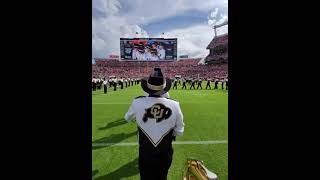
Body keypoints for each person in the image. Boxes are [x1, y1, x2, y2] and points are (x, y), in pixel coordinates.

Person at [124, 68, 184, 180]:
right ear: (164, 87)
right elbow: (180, 131)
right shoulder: (175, 104)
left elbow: (127, 118)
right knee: (162, 177)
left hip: (145, 151)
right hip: (165, 151)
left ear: (147, 86)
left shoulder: (137, 102)